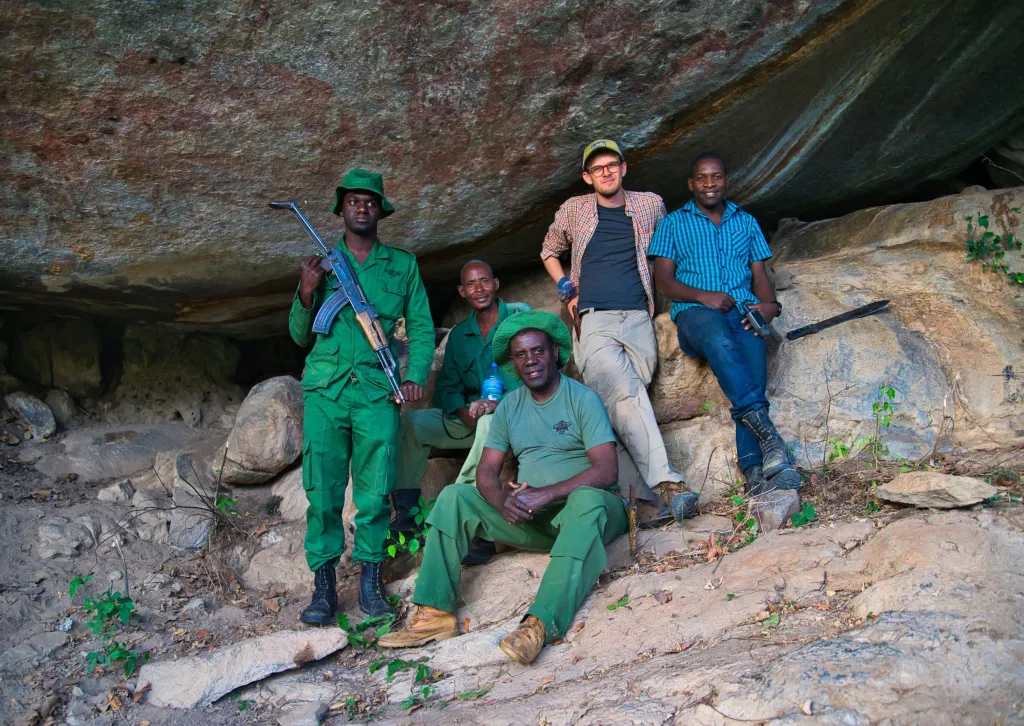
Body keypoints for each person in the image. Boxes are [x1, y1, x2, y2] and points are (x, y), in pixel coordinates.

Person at [378, 311, 627, 665]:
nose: (531, 361)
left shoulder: (581, 398)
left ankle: (538, 624)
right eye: (521, 355)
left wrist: (548, 492)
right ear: (512, 363)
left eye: (538, 351)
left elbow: (606, 469)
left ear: (555, 352)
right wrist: (501, 500)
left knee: (588, 498)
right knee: (453, 496)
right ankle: (434, 614)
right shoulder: (509, 406)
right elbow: (487, 471)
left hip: (590, 512)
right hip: (536, 520)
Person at [288, 169, 435, 624]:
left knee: (374, 493)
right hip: (326, 392)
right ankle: (324, 586)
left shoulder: (401, 265)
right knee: (324, 492)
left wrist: (413, 376)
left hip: (376, 391)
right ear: (341, 209)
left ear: (380, 210)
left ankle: (371, 583)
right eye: (353, 200)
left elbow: (423, 329)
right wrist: (308, 291)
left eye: (370, 201)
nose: (362, 207)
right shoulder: (322, 262)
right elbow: (298, 335)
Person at [540, 139, 698, 522]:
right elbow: (548, 249)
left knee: (621, 401)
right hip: (593, 318)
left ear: (624, 168)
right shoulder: (575, 209)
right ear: (587, 176)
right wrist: (565, 287)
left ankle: (642, 504)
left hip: (639, 317)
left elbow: (670, 249)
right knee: (625, 393)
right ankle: (669, 485)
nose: (606, 172)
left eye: (612, 164)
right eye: (597, 168)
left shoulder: (650, 204)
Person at [649, 152, 801, 496]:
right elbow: (664, 281)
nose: (709, 184)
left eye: (715, 177)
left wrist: (769, 307)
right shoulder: (673, 223)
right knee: (719, 340)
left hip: (743, 312)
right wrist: (706, 296)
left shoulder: (745, 221)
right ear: (691, 184)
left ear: (725, 181)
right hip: (695, 315)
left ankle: (756, 472)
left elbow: (760, 273)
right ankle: (773, 441)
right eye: (702, 178)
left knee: (752, 374)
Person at [393, 259, 531, 565]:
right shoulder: (459, 336)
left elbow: (541, 371)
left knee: (488, 424)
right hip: (473, 417)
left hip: (517, 415)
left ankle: (472, 527)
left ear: (496, 284)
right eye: (471, 284)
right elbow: (445, 389)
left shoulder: (520, 316)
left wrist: (498, 403)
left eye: (485, 281)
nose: (479, 289)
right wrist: (461, 408)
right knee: (412, 423)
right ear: (461, 291)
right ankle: (406, 515)